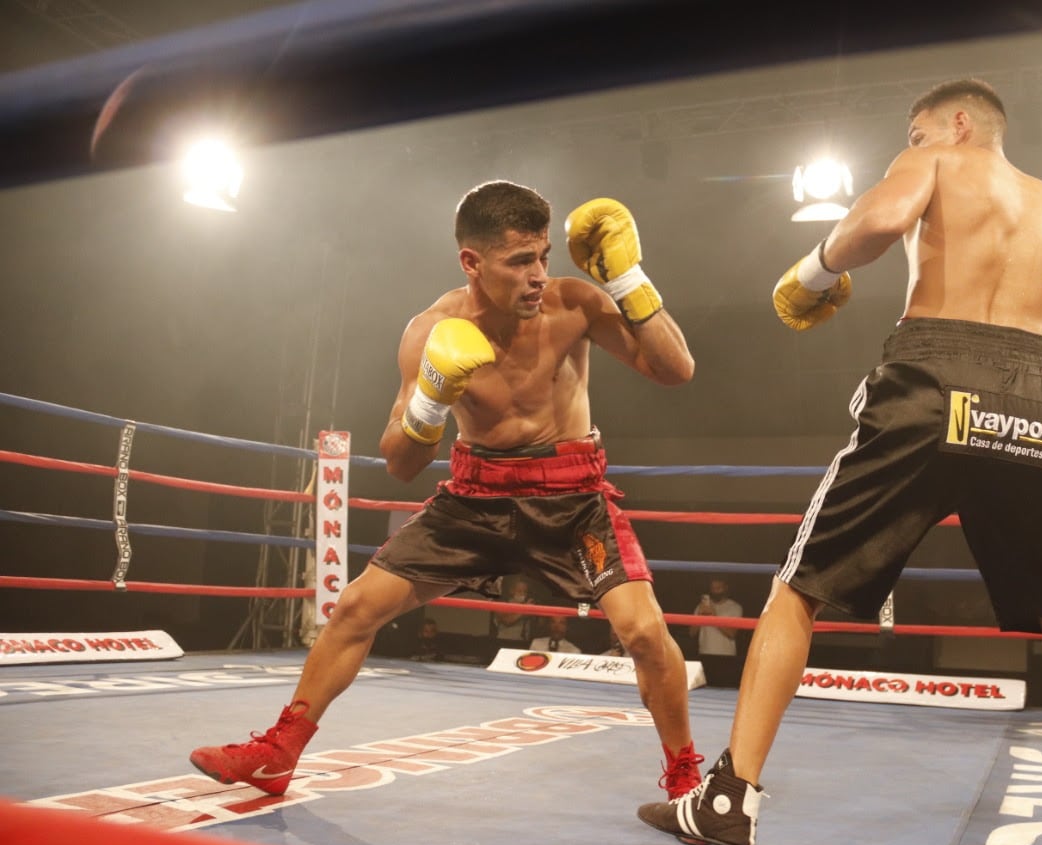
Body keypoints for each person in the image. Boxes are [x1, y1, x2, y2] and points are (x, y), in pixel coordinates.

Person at [637, 79, 1042, 845]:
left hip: (934, 375)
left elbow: (878, 217)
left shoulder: (942, 161)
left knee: (797, 588)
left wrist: (813, 269)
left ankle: (730, 798)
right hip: (1037, 397)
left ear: (958, 124)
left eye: (915, 134)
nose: (909, 148)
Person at [190, 181, 705, 804]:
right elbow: (402, 464)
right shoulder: (430, 331)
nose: (539, 274)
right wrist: (433, 397)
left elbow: (677, 371)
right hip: (475, 497)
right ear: (472, 262)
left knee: (646, 633)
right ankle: (278, 754)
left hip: (572, 499)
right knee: (355, 609)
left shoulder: (576, 305)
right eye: (520, 261)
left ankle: (686, 779)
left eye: (543, 256)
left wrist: (628, 280)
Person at [689, 576, 744, 687]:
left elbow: (732, 634)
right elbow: (692, 633)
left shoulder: (734, 607)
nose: (715, 591)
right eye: (713, 588)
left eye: (718, 588)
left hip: (726, 656)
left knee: (725, 690)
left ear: (725, 588)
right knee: (704, 690)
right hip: (704, 654)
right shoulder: (701, 607)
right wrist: (700, 616)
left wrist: (714, 616)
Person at [492, 576, 537, 647]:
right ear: (511, 591)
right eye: (519, 591)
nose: (523, 594)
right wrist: (525, 609)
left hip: (523, 643)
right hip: (504, 642)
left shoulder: (527, 605)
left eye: (525, 592)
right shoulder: (502, 605)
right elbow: (507, 621)